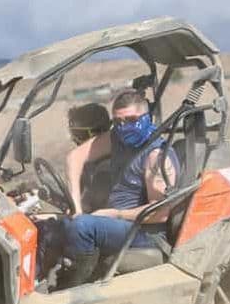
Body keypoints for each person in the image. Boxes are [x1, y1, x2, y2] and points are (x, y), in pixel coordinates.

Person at [61, 89, 179, 286]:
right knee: (52, 227)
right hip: (119, 225)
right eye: (118, 122)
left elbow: (160, 212)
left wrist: (115, 214)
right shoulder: (117, 138)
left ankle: (74, 289)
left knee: (82, 228)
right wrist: (77, 207)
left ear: (146, 117)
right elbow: (74, 158)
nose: (125, 127)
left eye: (132, 120)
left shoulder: (156, 155)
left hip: (145, 232)